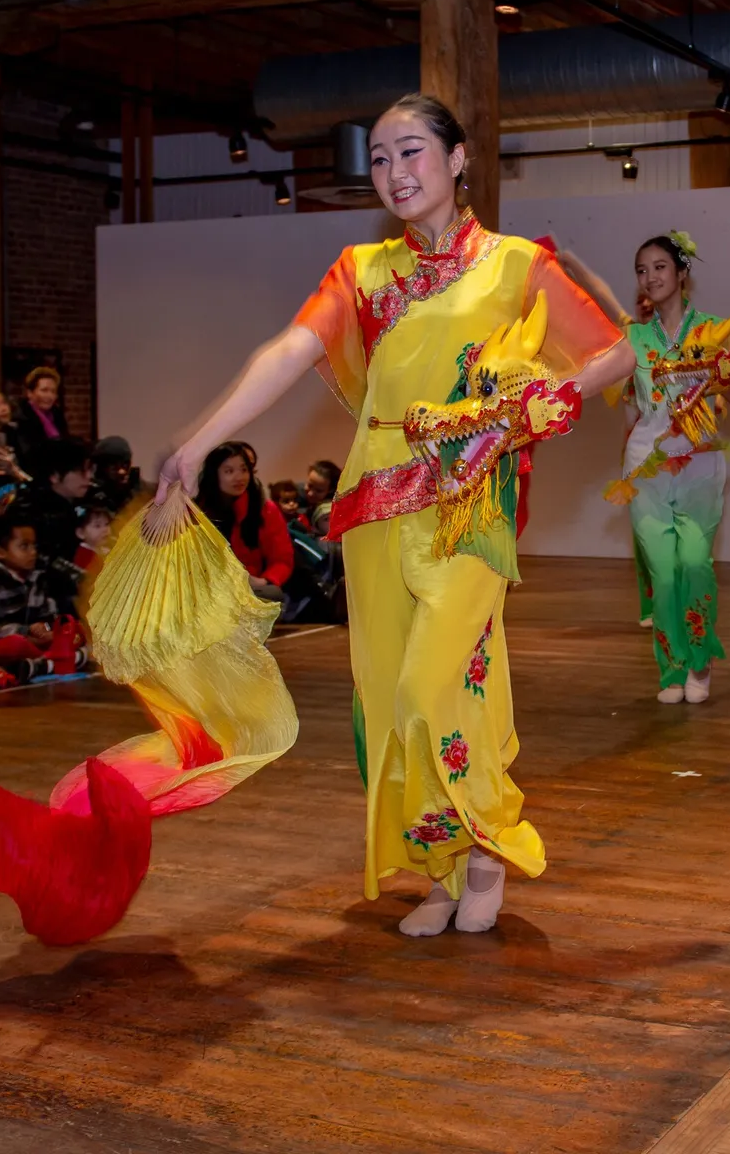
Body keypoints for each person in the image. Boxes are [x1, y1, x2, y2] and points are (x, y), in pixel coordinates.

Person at [154, 92, 630, 937]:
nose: (394, 172)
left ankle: (487, 842)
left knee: (434, 682)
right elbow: (288, 354)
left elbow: (618, 350)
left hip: (469, 501)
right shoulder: (361, 271)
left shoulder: (516, 264)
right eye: (378, 158)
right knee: (384, 693)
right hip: (375, 495)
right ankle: (439, 865)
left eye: (410, 152)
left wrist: (528, 409)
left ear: (457, 160)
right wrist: (197, 443)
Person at [615, 230, 730, 704]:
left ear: (681, 273)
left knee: (694, 564)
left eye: (659, 267)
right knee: (663, 571)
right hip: (645, 468)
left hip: (700, 464)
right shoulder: (632, 338)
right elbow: (616, 394)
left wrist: (719, 382)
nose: (650, 277)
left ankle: (700, 660)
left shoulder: (716, 331)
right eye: (641, 269)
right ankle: (672, 671)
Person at [0, 518, 80, 688]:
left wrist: (47, 632)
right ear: (1, 552)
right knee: (15, 645)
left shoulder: (35, 577)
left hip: (36, 644)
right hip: (5, 644)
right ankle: (46, 664)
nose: (33, 552)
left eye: (34, 546)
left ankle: (41, 664)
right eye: (24, 546)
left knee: (77, 633)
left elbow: (47, 615)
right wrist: (27, 632)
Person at [196, 442, 294, 611]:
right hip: (206, 587)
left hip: (248, 586)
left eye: (244, 470)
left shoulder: (264, 508)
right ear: (214, 475)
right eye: (229, 471)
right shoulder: (198, 510)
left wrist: (265, 580)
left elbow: (282, 558)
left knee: (271, 593)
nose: (239, 477)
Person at [8, 436, 91, 565]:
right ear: (55, 476)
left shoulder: (86, 502)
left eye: (89, 470)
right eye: (81, 471)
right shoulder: (28, 512)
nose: (89, 476)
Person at [8, 366, 70, 478]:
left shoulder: (57, 415)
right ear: (30, 393)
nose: (50, 396)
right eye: (44, 390)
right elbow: (28, 455)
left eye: (53, 391)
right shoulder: (21, 419)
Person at [92, 435, 145, 509]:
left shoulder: (141, 491)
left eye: (125, 464)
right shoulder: (90, 493)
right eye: (114, 465)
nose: (121, 471)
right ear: (102, 467)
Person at [302, 459, 342, 537]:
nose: (310, 493)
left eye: (319, 491)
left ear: (330, 490)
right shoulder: (299, 495)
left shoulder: (326, 514)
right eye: (309, 485)